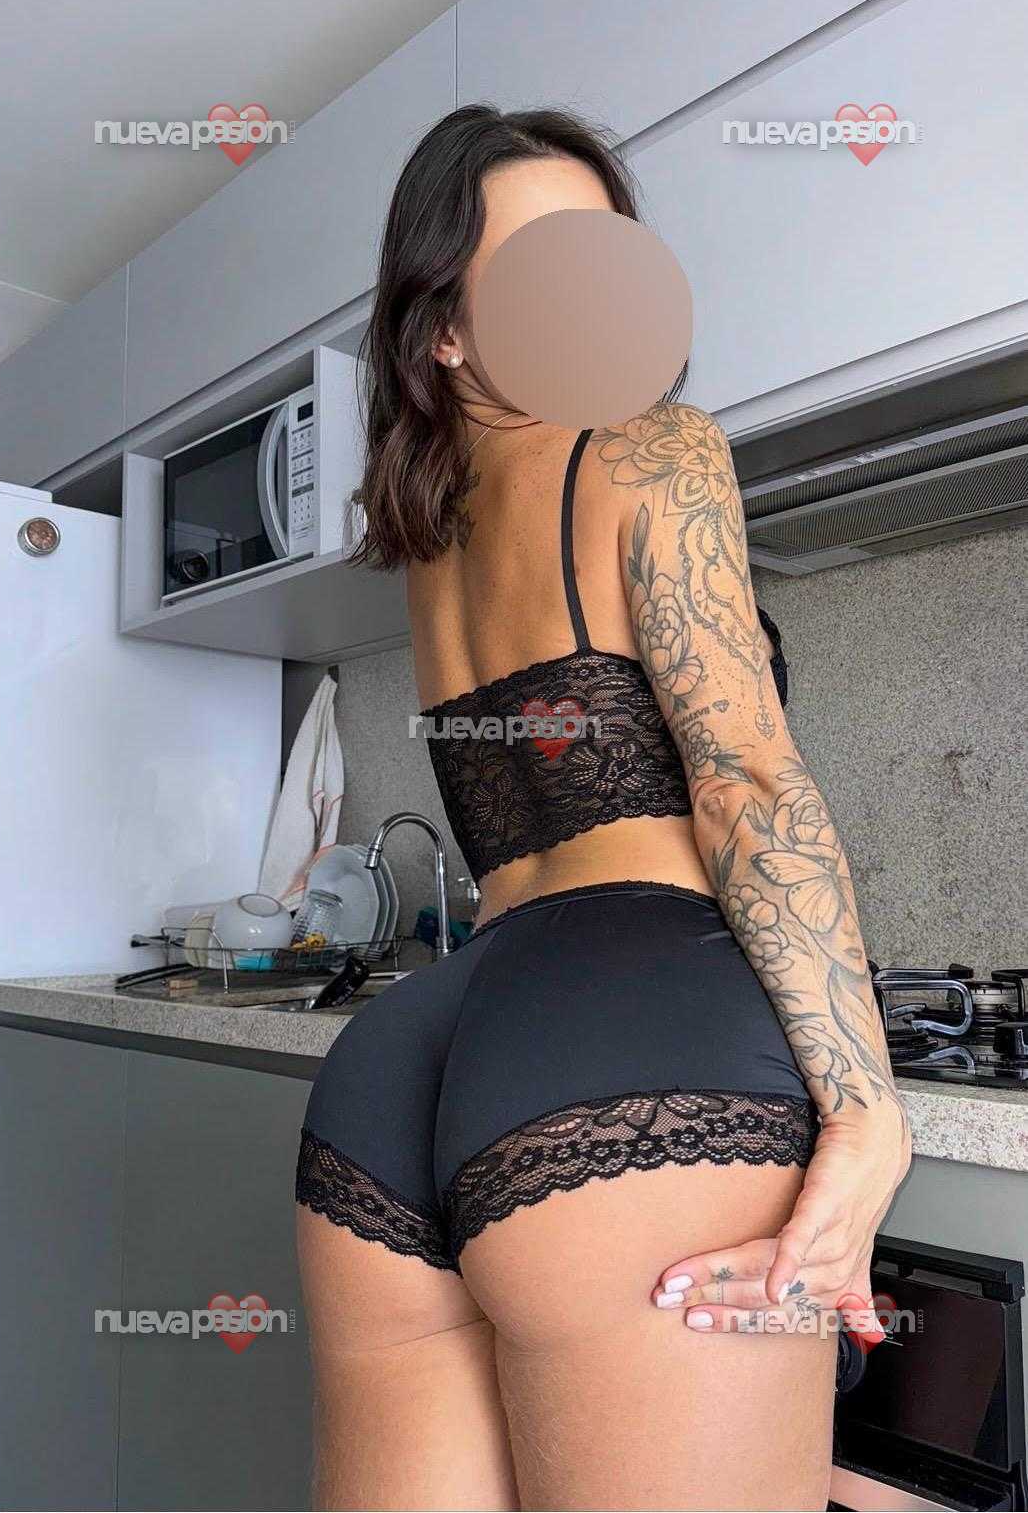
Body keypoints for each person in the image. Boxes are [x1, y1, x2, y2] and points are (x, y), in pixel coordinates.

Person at [295, 105, 910, 1512]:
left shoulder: (437, 541)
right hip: (633, 1031)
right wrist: (869, 1114)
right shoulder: (653, 446)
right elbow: (747, 782)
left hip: (411, 1068)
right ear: (447, 329)